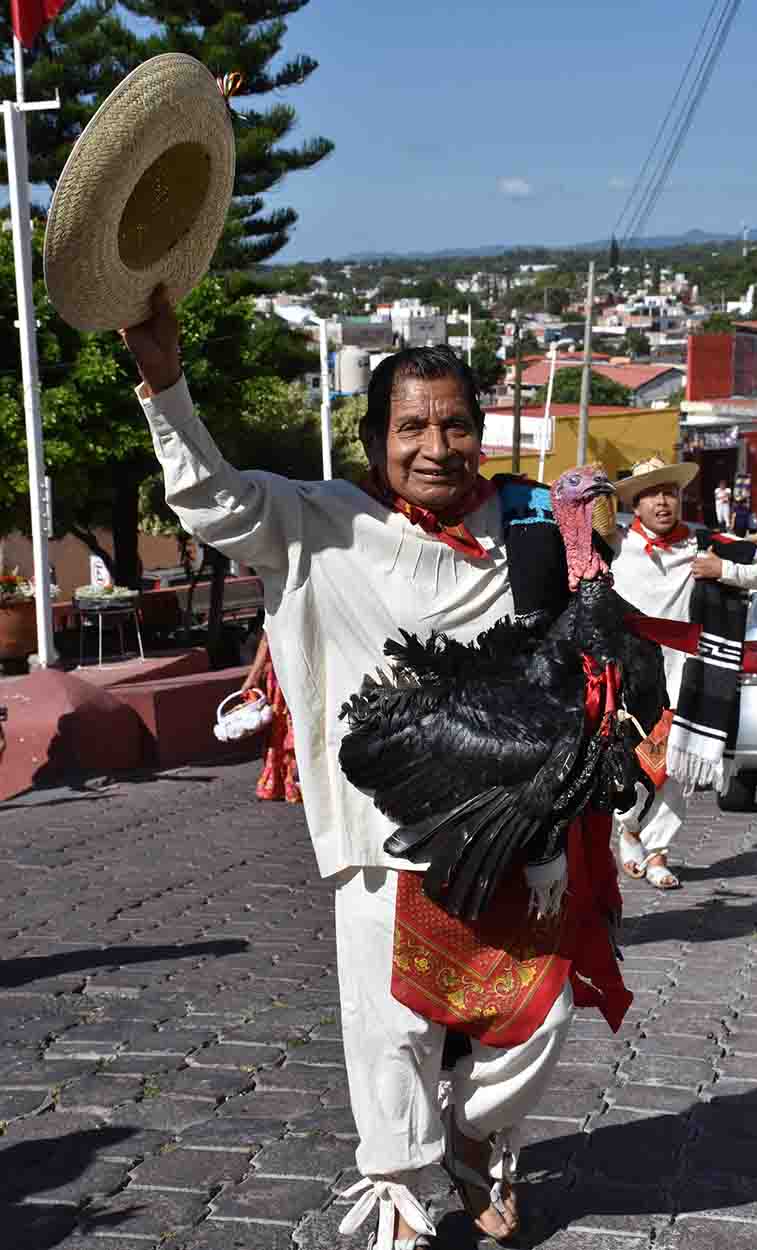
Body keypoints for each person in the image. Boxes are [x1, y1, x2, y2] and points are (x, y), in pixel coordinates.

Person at [121, 290, 622, 1249]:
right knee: (390, 1028)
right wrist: (163, 381)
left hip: (516, 830)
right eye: (411, 426)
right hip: (379, 839)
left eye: (456, 424)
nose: (436, 445)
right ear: (374, 439)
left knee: (541, 1011)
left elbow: (581, 663)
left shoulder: (524, 533)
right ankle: (398, 1188)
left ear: (482, 431)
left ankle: (474, 1140)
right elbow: (210, 497)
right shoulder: (316, 523)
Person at [609, 457, 757, 890]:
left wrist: (725, 571)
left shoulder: (705, 545)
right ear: (636, 503)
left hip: (689, 675)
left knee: (677, 768)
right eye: (652, 495)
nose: (663, 502)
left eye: (670, 493)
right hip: (630, 675)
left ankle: (659, 851)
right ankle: (627, 829)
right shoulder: (616, 546)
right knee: (622, 763)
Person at [241, 631, 302, 803]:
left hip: (291, 670)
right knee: (288, 727)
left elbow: (267, 637)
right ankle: (295, 782)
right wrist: (253, 676)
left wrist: (253, 676)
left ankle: (293, 782)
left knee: (286, 728)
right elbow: (268, 635)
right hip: (288, 672)